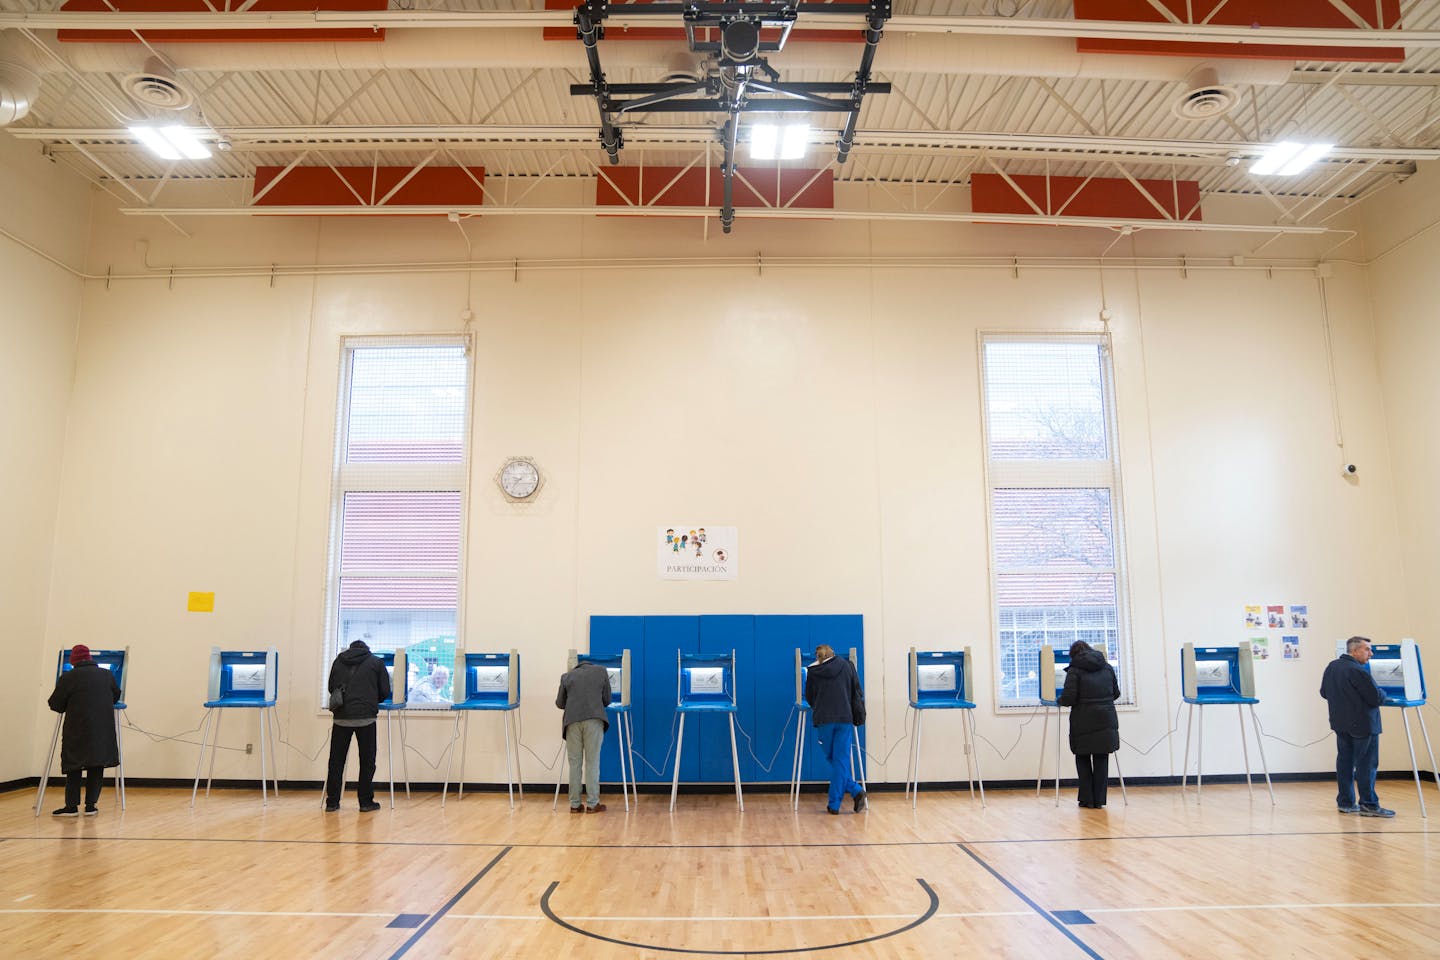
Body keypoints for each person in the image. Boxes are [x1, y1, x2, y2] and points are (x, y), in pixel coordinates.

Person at [1320, 636, 1394, 817]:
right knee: (1366, 765)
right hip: (1363, 725)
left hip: (1340, 724)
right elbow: (1376, 698)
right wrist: (1384, 693)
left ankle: (1345, 802)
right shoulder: (1358, 671)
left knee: (1345, 763)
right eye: (1367, 649)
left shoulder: (1332, 667)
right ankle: (1369, 804)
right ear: (1354, 651)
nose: (1371, 653)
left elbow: (1323, 692)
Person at [46, 644, 121, 817]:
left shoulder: (68, 677)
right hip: (102, 729)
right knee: (97, 764)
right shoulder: (107, 674)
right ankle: (91, 806)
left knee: (74, 765)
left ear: (73, 661)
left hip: (77, 728)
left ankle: (71, 807)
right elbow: (115, 696)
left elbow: (55, 704)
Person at [324, 639, 391, 813]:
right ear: (367, 649)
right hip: (366, 718)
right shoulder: (376, 662)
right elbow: (384, 691)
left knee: (336, 761)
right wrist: (370, 698)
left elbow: (332, 687)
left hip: (341, 717)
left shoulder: (339, 660)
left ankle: (332, 802)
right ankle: (365, 802)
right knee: (367, 761)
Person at [804, 644, 867, 815]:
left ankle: (851, 794)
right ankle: (841, 800)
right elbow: (856, 691)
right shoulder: (847, 666)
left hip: (824, 720)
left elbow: (809, 697)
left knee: (832, 758)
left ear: (818, 657)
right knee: (840, 760)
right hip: (845, 718)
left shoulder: (813, 672)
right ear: (833, 653)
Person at [1058, 640, 1120, 809]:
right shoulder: (1107, 667)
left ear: (1074, 655)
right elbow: (1116, 693)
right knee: (1101, 758)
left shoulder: (1075, 670)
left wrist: (1059, 700)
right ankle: (1099, 800)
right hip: (1106, 718)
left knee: (1082, 757)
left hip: (1083, 719)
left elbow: (1069, 698)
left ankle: (1086, 799)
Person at [556, 658, 612, 813]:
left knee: (575, 764)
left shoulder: (567, 676)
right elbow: (607, 700)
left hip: (572, 722)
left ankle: (575, 805)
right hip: (594, 720)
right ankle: (593, 804)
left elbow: (560, 703)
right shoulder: (601, 671)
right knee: (592, 762)